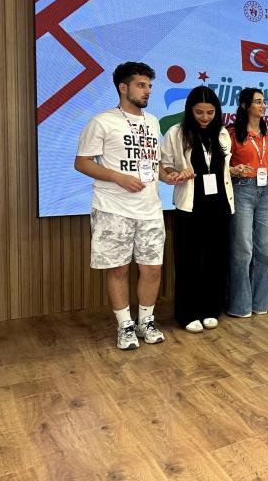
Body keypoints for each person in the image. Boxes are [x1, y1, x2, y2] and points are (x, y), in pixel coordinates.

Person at [74, 62, 181, 350]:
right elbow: (81, 163)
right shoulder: (102, 122)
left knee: (152, 269)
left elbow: (154, 164)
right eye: (141, 85)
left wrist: (168, 176)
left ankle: (146, 321)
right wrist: (117, 177)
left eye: (149, 86)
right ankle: (125, 326)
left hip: (150, 209)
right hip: (113, 208)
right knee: (118, 269)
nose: (147, 91)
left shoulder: (153, 122)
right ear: (123, 87)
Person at [161, 87, 234, 332]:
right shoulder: (176, 132)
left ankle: (211, 308)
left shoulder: (222, 133)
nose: (205, 117)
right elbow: (164, 165)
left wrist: (235, 170)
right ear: (190, 110)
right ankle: (187, 313)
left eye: (210, 113)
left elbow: (223, 167)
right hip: (191, 206)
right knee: (188, 260)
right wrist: (176, 173)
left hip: (220, 205)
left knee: (217, 259)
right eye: (199, 112)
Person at [226, 88, 268, 317]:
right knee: (243, 249)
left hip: (266, 190)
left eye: (264, 101)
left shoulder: (266, 133)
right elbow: (220, 164)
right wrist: (233, 169)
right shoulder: (232, 133)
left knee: (265, 248)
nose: (263, 105)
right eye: (258, 102)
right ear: (245, 106)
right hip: (242, 189)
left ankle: (260, 302)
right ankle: (240, 306)